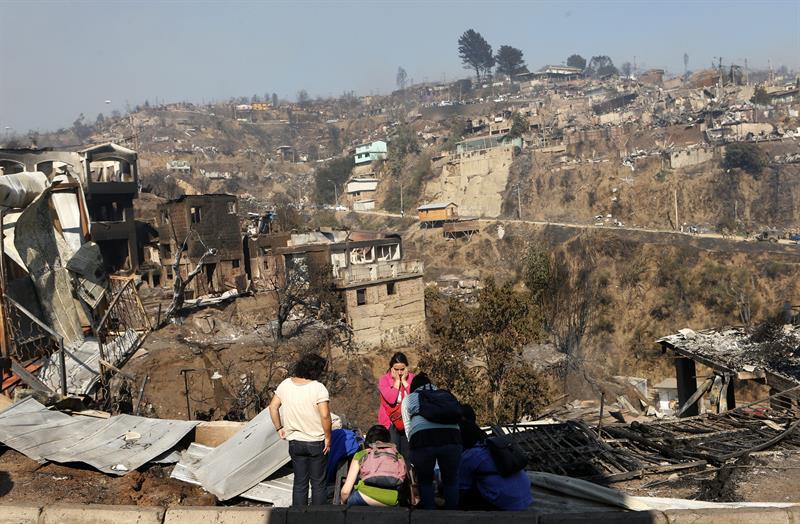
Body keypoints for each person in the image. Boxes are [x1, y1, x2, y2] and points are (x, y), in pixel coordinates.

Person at [269, 353, 332, 506]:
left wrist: (279, 428)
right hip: (316, 442)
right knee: (318, 484)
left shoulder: (285, 384)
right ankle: (317, 518)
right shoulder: (318, 388)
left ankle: (297, 518)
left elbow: (273, 407)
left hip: (295, 442)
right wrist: (328, 438)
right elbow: (325, 415)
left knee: (299, 483)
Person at [401, 373, 462, 510]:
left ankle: (429, 515)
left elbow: (408, 428)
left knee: (425, 480)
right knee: (451, 480)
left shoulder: (410, 398)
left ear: (413, 387)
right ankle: (453, 515)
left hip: (422, 438)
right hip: (452, 437)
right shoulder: (445, 395)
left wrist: (414, 451)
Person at [458, 404, 533, 511]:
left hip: (507, 502)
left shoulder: (469, 456)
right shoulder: (492, 445)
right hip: (526, 496)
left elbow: (462, 487)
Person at [339, 424, 407, 507]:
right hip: (392, 501)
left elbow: (345, 492)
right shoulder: (398, 456)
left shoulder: (362, 454)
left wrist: (342, 504)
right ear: (388, 440)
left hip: (362, 498)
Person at [378, 352, 415, 457]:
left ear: (406, 368)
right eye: (396, 369)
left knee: (408, 454)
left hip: (408, 422)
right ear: (391, 368)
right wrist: (397, 381)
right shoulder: (384, 380)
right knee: (393, 454)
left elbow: (414, 398)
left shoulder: (412, 378)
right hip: (390, 422)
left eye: (402, 369)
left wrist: (404, 381)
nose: (399, 372)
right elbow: (391, 399)